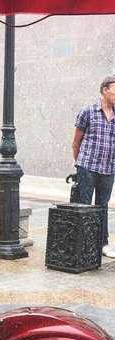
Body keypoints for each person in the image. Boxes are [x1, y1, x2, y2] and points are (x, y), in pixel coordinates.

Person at [72, 76, 115, 258]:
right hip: (87, 166)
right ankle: (82, 244)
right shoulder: (88, 111)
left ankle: (102, 243)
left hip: (109, 169)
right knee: (84, 206)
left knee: (102, 207)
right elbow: (76, 141)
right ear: (105, 90)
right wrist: (79, 164)